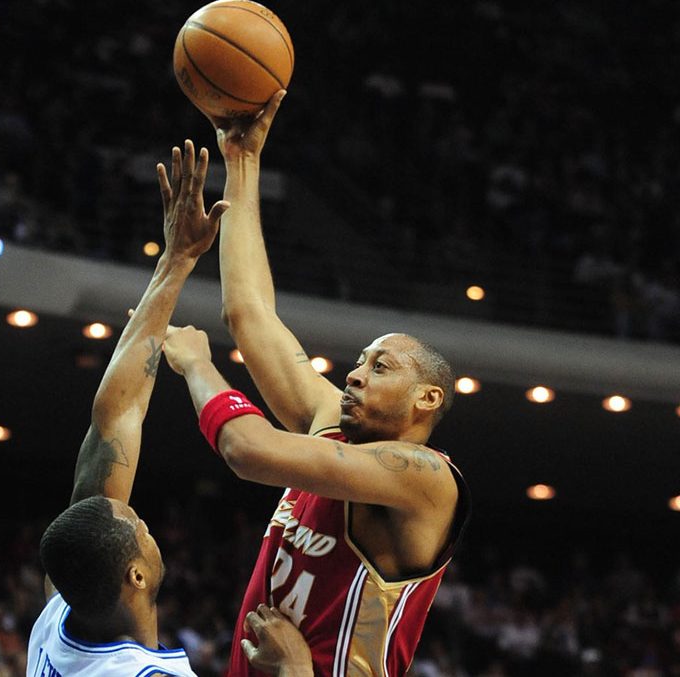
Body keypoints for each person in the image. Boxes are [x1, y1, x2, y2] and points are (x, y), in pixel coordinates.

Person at [170, 91, 472, 676]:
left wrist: (197, 365)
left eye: (380, 367)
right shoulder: (333, 429)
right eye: (360, 360)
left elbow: (246, 449)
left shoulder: (429, 482)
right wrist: (242, 160)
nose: (355, 373)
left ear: (427, 398)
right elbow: (250, 314)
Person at [26, 140, 311, 677]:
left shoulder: (61, 617)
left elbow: (117, 416)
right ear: (134, 576)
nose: (141, 516)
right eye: (141, 528)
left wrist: (175, 261)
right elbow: (113, 417)